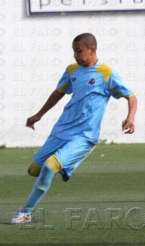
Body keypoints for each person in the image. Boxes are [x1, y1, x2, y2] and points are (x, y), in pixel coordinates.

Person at [10, 33, 137, 224]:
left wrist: (130, 117)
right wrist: (39, 114)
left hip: (85, 136)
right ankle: (67, 166)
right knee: (33, 170)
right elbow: (58, 92)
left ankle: (25, 212)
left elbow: (131, 96)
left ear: (92, 50)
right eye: (74, 51)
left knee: (48, 167)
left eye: (79, 51)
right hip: (61, 130)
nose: (75, 55)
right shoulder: (71, 70)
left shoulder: (107, 73)